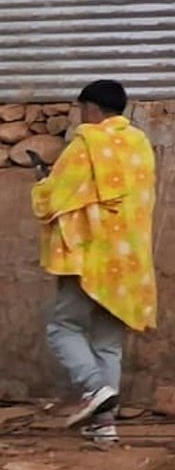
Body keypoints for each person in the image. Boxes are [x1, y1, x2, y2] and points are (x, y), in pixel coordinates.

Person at [30, 79, 155, 445]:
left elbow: (55, 197)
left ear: (91, 109)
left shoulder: (87, 143)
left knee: (62, 327)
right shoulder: (140, 144)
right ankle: (104, 425)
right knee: (108, 343)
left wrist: (42, 184)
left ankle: (95, 387)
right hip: (129, 261)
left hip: (89, 257)